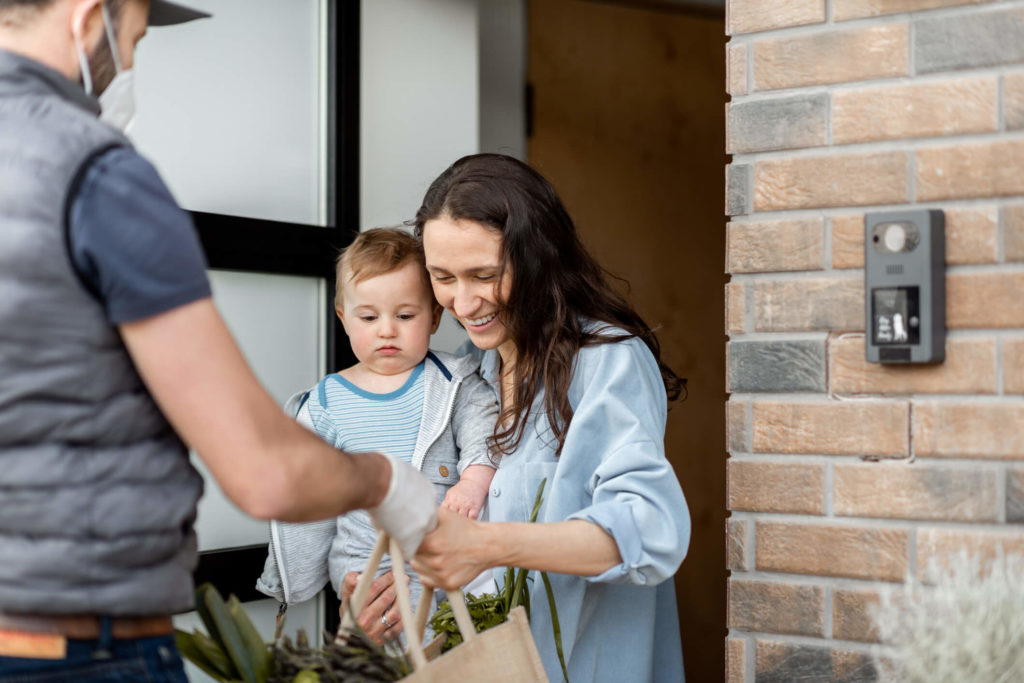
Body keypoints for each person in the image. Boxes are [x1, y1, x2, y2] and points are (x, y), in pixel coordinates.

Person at [0, 1, 435, 681]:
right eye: (136, 39)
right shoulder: (98, 178)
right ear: (89, 18)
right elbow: (264, 473)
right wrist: (386, 482)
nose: (132, 66)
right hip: (75, 649)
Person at [409, 153, 691, 682]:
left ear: (538, 258)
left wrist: (486, 546)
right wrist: (403, 585)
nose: (463, 303)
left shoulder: (607, 359)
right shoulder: (469, 375)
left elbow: (650, 531)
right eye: (441, 277)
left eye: (484, 275)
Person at [257, 228, 498, 645]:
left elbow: (484, 431)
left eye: (405, 316)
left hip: (439, 562)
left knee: (447, 653)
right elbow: (311, 494)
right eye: (369, 318)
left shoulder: (453, 382)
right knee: (376, 656)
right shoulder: (326, 401)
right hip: (362, 566)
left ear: (435, 316)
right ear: (343, 317)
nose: (387, 330)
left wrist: (473, 484)